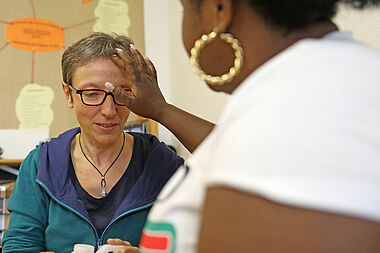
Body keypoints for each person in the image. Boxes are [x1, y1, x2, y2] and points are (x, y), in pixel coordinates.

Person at [105, 0, 380, 252]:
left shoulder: (308, 107)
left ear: (219, 10)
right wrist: (161, 111)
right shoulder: (318, 87)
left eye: (184, 9)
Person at [1, 33, 193, 253]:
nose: (109, 111)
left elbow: (190, 242)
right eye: (91, 94)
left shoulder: (161, 164)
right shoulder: (40, 165)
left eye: (122, 93)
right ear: (68, 94)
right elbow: (18, 246)